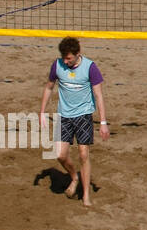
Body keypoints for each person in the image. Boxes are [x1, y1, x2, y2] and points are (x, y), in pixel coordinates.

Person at [38, 37, 110, 208]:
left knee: (84, 155)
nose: (65, 61)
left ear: (78, 54)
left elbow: (99, 95)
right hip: (63, 115)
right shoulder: (57, 65)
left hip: (84, 115)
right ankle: (74, 177)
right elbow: (49, 87)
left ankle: (85, 195)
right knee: (60, 155)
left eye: (69, 58)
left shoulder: (90, 68)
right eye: (63, 57)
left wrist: (103, 122)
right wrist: (41, 112)